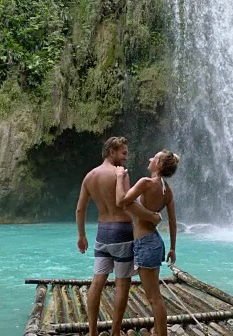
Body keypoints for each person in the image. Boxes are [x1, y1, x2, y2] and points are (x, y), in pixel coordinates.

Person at [75, 136, 161, 336]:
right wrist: (151, 217)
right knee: (123, 283)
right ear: (112, 151)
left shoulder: (90, 176)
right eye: (123, 153)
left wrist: (81, 235)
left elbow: (80, 209)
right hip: (122, 232)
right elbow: (126, 203)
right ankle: (114, 332)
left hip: (102, 233)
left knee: (97, 282)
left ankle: (93, 331)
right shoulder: (119, 174)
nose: (125, 158)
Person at [114, 150, 180, 336]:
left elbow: (121, 201)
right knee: (155, 296)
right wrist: (173, 248)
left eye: (154, 157)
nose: (150, 158)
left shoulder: (146, 183)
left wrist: (119, 177)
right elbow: (173, 221)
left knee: (154, 297)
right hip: (154, 241)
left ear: (158, 165)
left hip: (145, 243)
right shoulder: (166, 190)